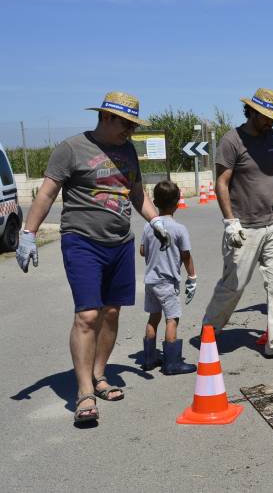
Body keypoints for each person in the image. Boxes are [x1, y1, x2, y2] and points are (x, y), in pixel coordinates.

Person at [15, 91, 172, 424]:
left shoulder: (127, 149)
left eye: (133, 124)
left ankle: (99, 375)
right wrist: (28, 233)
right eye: (125, 123)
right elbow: (47, 192)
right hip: (82, 241)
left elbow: (137, 193)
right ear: (105, 117)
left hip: (120, 242)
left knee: (111, 313)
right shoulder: (71, 149)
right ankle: (84, 390)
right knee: (88, 315)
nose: (129, 130)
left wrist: (155, 219)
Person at [201, 88, 273, 362]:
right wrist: (230, 221)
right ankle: (209, 331)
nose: (270, 122)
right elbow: (221, 182)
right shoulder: (231, 140)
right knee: (234, 284)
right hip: (244, 226)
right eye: (266, 116)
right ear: (252, 112)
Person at [139, 180, 197, 375]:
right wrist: (192, 276)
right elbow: (186, 255)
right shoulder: (179, 229)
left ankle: (149, 358)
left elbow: (142, 250)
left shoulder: (149, 226)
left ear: (155, 202)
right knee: (172, 319)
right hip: (167, 282)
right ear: (178, 203)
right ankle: (172, 363)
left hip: (151, 281)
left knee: (153, 317)